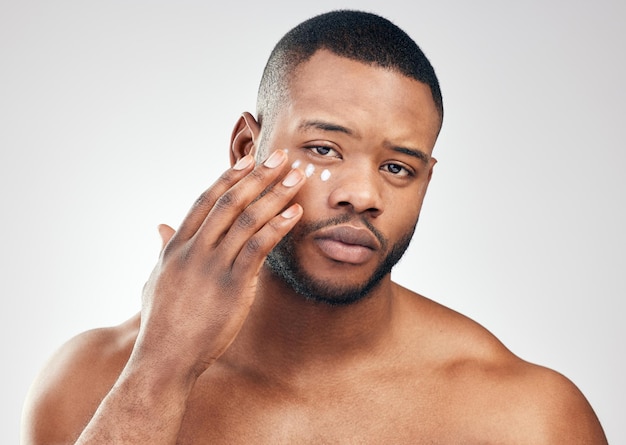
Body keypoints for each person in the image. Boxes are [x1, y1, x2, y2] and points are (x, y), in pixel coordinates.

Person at [21, 9, 607, 444]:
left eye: (398, 167)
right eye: (325, 149)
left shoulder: (524, 418)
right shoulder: (90, 381)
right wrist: (158, 373)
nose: (364, 195)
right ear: (247, 147)